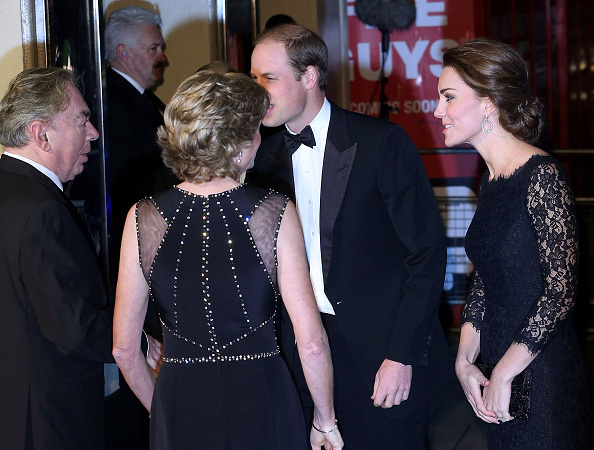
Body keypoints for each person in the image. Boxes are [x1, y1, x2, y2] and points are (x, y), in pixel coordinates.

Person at [113, 66, 343, 450]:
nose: (259, 138)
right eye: (254, 129)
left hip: (179, 400)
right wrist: (324, 420)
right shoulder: (273, 211)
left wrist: (163, 411)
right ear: (236, 142)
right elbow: (312, 342)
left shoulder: (143, 216)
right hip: (263, 398)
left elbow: (123, 348)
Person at [247, 24, 453, 448]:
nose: (257, 92)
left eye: (269, 78)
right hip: (297, 353)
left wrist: (401, 354)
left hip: (378, 353)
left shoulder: (381, 143)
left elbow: (427, 255)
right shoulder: (260, 158)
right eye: (253, 79)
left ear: (309, 76)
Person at [434, 38, 592, 448]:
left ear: (488, 102)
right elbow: (486, 279)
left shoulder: (541, 175)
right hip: (499, 366)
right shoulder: (490, 179)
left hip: (540, 370)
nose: (437, 111)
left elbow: (560, 292)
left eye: (448, 98)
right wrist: (465, 360)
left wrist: (504, 371)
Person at [0, 67, 113, 449]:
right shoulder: (43, 210)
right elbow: (74, 328)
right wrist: (140, 343)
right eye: (82, 120)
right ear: (41, 134)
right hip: (50, 425)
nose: (94, 133)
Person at [104, 5, 177, 300]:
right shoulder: (113, 103)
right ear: (124, 53)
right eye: (154, 48)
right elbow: (130, 179)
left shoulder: (143, 98)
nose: (163, 57)